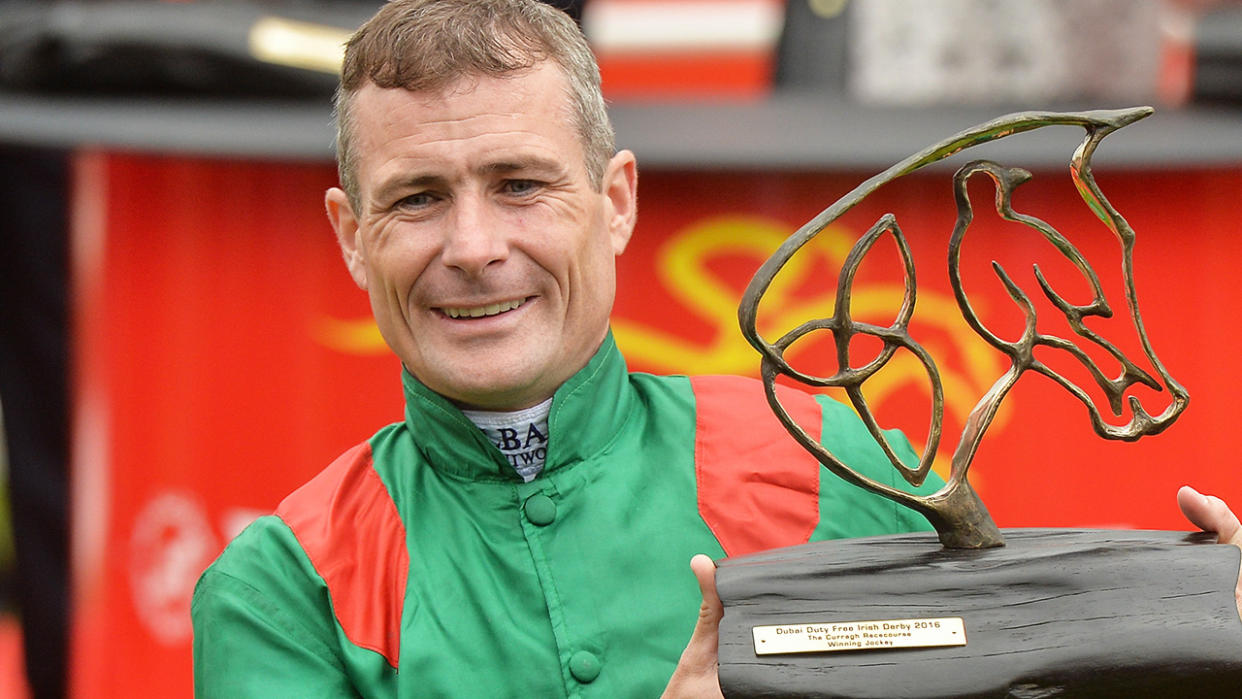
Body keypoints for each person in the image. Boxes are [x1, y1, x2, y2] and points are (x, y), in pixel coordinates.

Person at [190, 0, 1242, 696]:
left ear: (614, 203)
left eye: (521, 184)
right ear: (349, 236)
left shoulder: (838, 465)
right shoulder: (288, 590)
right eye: (418, 198)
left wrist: (1189, 636)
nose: (474, 248)